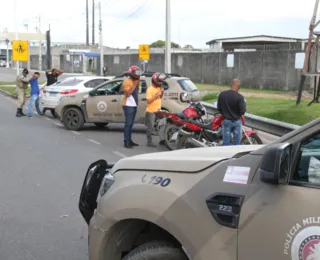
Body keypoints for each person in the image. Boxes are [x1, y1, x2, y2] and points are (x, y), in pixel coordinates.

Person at [217, 79, 246, 146]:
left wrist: (224, 114)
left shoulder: (222, 94)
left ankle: (226, 155)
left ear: (231, 85)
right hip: (237, 122)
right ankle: (236, 156)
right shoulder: (240, 97)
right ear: (238, 87)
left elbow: (219, 108)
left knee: (226, 143)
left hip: (226, 121)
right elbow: (242, 111)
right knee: (237, 144)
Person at [121, 65, 141, 148]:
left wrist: (136, 84)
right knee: (128, 124)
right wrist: (135, 85)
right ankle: (126, 142)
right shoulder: (127, 81)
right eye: (136, 72)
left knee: (131, 124)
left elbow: (137, 92)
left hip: (133, 104)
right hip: (128, 105)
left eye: (139, 72)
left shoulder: (137, 81)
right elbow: (128, 93)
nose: (138, 74)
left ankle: (129, 139)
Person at [145, 72, 166, 147]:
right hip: (151, 111)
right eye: (159, 81)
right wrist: (156, 95)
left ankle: (162, 140)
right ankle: (149, 142)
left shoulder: (159, 88)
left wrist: (162, 93)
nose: (160, 83)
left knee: (162, 125)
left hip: (158, 110)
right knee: (150, 127)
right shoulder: (150, 89)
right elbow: (148, 101)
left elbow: (160, 98)